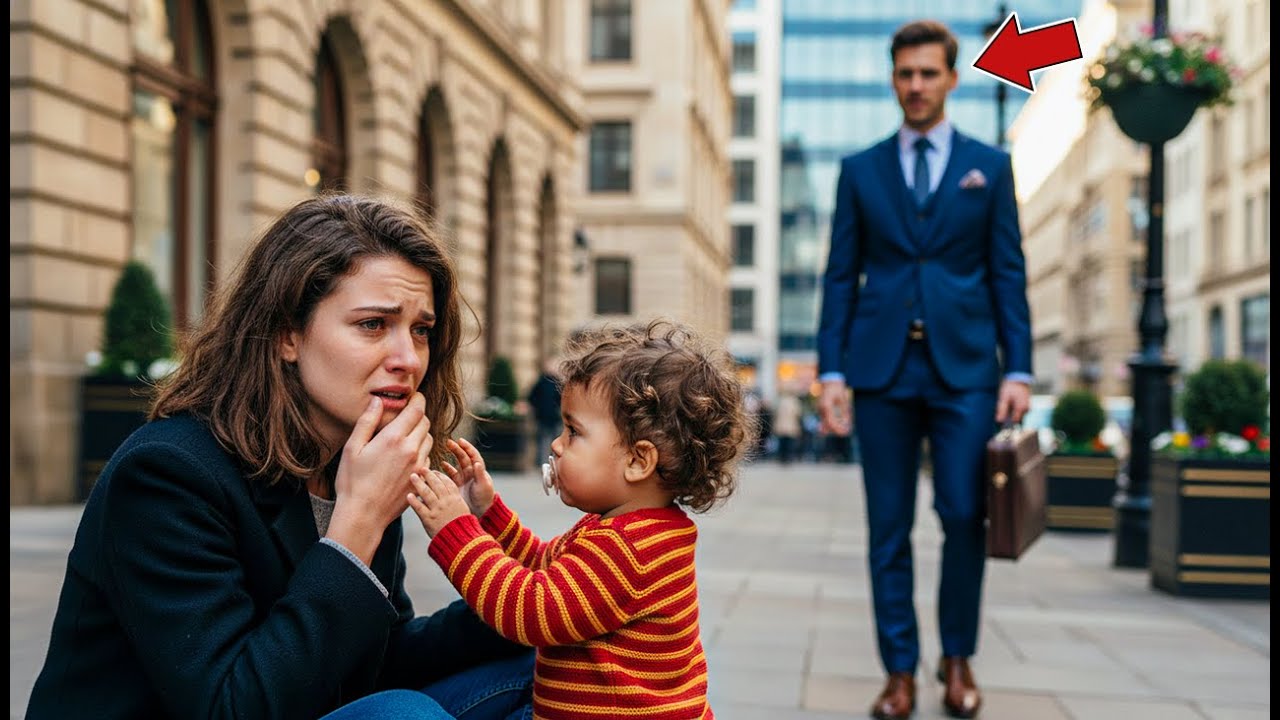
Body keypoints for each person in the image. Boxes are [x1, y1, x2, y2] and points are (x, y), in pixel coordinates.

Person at [27, 195, 534, 720]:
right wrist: (357, 525)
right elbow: (231, 707)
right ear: (287, 335)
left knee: (541, 664)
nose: (408, 359)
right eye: (373, 324)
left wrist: (521, 604)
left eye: (420, 330)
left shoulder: (353, 463)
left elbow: (375, 661)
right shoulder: (168, 473)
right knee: (402, 715)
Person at [815, 20, 1032, 720]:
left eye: (928, 73)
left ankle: (958, 658)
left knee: (964, 514)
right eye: (905, 74)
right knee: (888, 527)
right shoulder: (860, 170)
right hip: (881, 371)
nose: (916, 85)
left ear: (951, 79)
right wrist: (831, 372)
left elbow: (1007, 271)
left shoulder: (988, 166)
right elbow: (839, 276)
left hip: (965, 369)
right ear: (892, 79)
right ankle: (899, 672)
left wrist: (1019, 369)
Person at [407, 320, 750, 719]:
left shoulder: (627, 549)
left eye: (573, 431)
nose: (557, 444)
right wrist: (489, 514)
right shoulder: (631, 528)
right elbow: (545, 568)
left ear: (638, 460)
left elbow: (530, 611)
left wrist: (456, 533)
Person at [525, 358, 562, 463]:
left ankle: (552, 461)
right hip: (543, 417)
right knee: (543, 440)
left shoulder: (558, 383)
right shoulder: (541, 382)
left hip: (554, 417)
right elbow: (532, 397)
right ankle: (543, 462)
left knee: (553, 440)